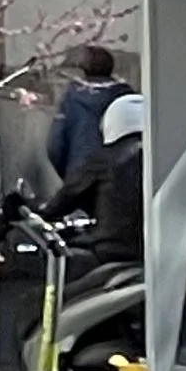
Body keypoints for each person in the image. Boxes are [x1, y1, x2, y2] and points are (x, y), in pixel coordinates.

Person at [55, 88, 145, 273]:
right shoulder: (159, 159)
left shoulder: (104, 159)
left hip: (111, 253)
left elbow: (65, 199)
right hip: (149, 255)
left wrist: (28, 207)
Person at [47, 46, 130, 185]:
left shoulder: (71, 98)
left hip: (80, 178)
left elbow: (54, 146)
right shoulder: (126, 97)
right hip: (117, 179)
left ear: (84, 69)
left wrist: (70, 175)